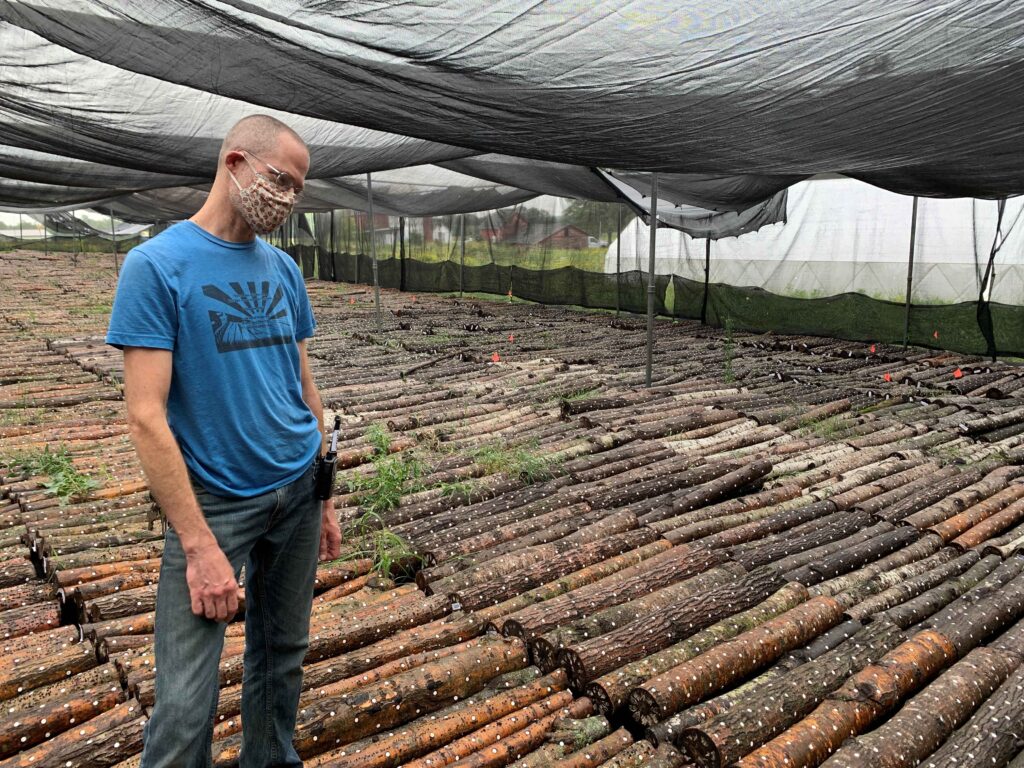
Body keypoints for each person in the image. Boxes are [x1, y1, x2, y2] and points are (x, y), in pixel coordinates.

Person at [106, 114, 343, 767]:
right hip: (216, 503)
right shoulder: (157, 266)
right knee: (185, 701)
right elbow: (147, 417)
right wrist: (198, 545)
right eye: (279, 180)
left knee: (282, 658)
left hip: (296, 487)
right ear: (234, 163)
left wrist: (324, 493)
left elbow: (303, 385)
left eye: (298, 189)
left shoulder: (283, 271)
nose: (288, 199)